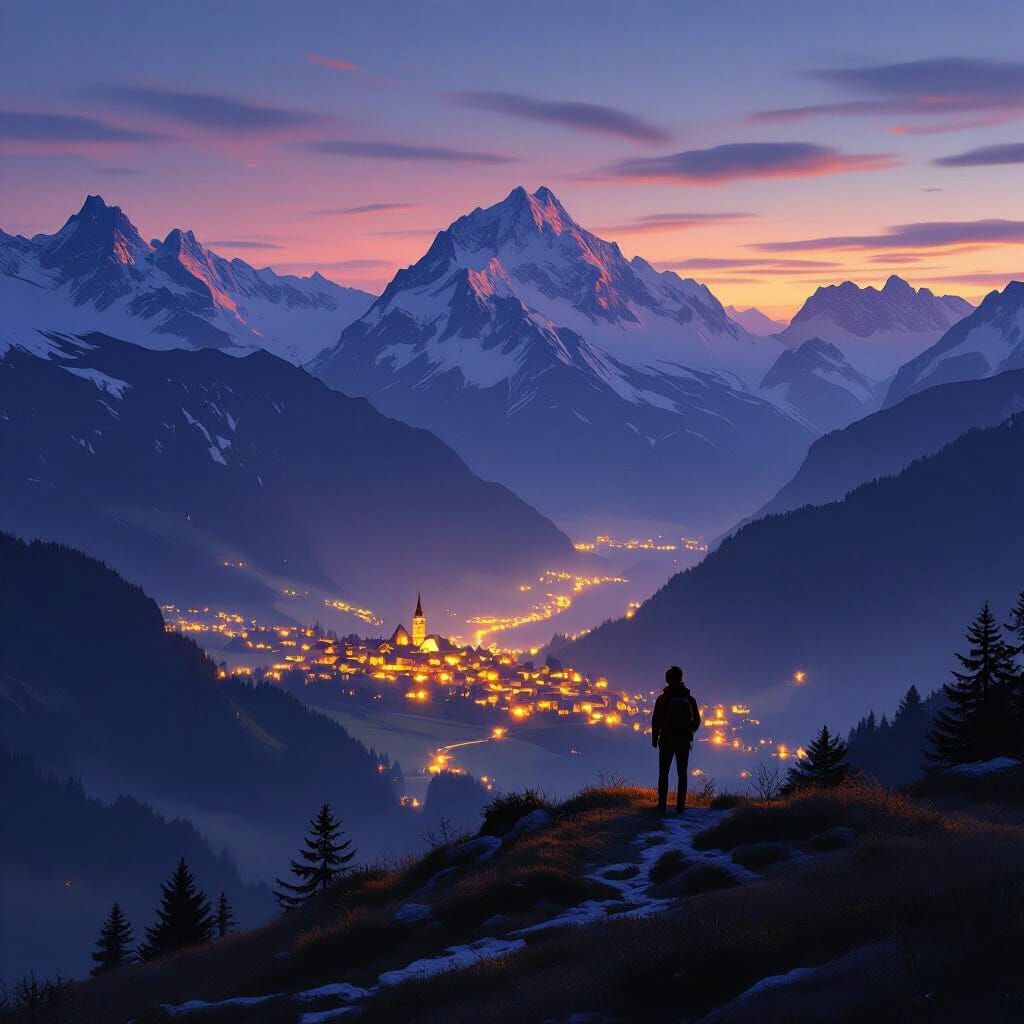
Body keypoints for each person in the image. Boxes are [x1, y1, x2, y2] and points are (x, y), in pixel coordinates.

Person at [651, 666, 701, 814]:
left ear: (668, 679)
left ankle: (662, 805)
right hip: (683, 740)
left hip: (666, 739)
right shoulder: (689, 699)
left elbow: (656, 720)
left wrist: (655, 738)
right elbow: (697, 721)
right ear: (681, 678)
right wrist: (689, 731)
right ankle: (680, 806)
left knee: (663, 773)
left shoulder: (663, 699)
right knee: (682, 773)